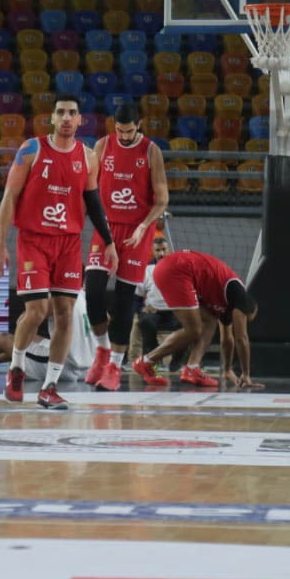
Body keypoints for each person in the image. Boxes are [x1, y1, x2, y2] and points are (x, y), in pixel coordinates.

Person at [0, 94, 118, 409]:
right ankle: (16, 368)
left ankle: (49, 387)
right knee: (37, 311)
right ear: (52, 118)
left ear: (79, 120)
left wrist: (109, 242)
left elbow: (94, 203)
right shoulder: (31, 149)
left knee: (65, 314)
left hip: (68, 243)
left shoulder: (88, 157)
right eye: (60, 112)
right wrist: (0, 244)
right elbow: (9, 197)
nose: (66, 117)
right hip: (34, 239)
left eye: (72, 112)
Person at [82, 103, 170, 391]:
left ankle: (114, 367)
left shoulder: (151, 151)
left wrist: (144, 227)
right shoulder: (102, 145)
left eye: (129, 131)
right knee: (93, 292)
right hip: (106, 228)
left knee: (124, 300)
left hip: (136, 232)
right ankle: (102, 350)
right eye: (119, 130)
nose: (124, 135)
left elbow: (162, 200)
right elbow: (88, 188)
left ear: (139, 125)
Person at [131, 250, 259, 389]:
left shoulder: (227, 307)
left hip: (171, 270)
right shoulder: (238, 295)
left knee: (209, 321)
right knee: (193, 330)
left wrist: (227, 369)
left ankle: (192, 368)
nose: (241, 321)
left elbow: (227, 339)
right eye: (244, 318)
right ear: (246, 309)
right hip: (178, 269)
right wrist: (246, 374)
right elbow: (241, 338)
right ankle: (147, 361)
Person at [0, 289, 98, 383]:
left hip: (63, 365)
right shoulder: (88, 299)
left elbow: (21, 322)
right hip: (86, 368)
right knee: (25, 343)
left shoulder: (60, 298)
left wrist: (34, 306)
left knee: (4, 339)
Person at [129, 235, 179, 363]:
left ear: (169, 250)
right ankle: (138, 362)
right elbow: (136, 297)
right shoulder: (146, 270)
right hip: (152, 312)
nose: (161, 253)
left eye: (164, 249)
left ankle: (181, 363)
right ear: (153, 251)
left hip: (173, 312)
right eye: (157, 250)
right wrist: (141, 309)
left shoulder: (178, 268)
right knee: (140, 322)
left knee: (191, 325)